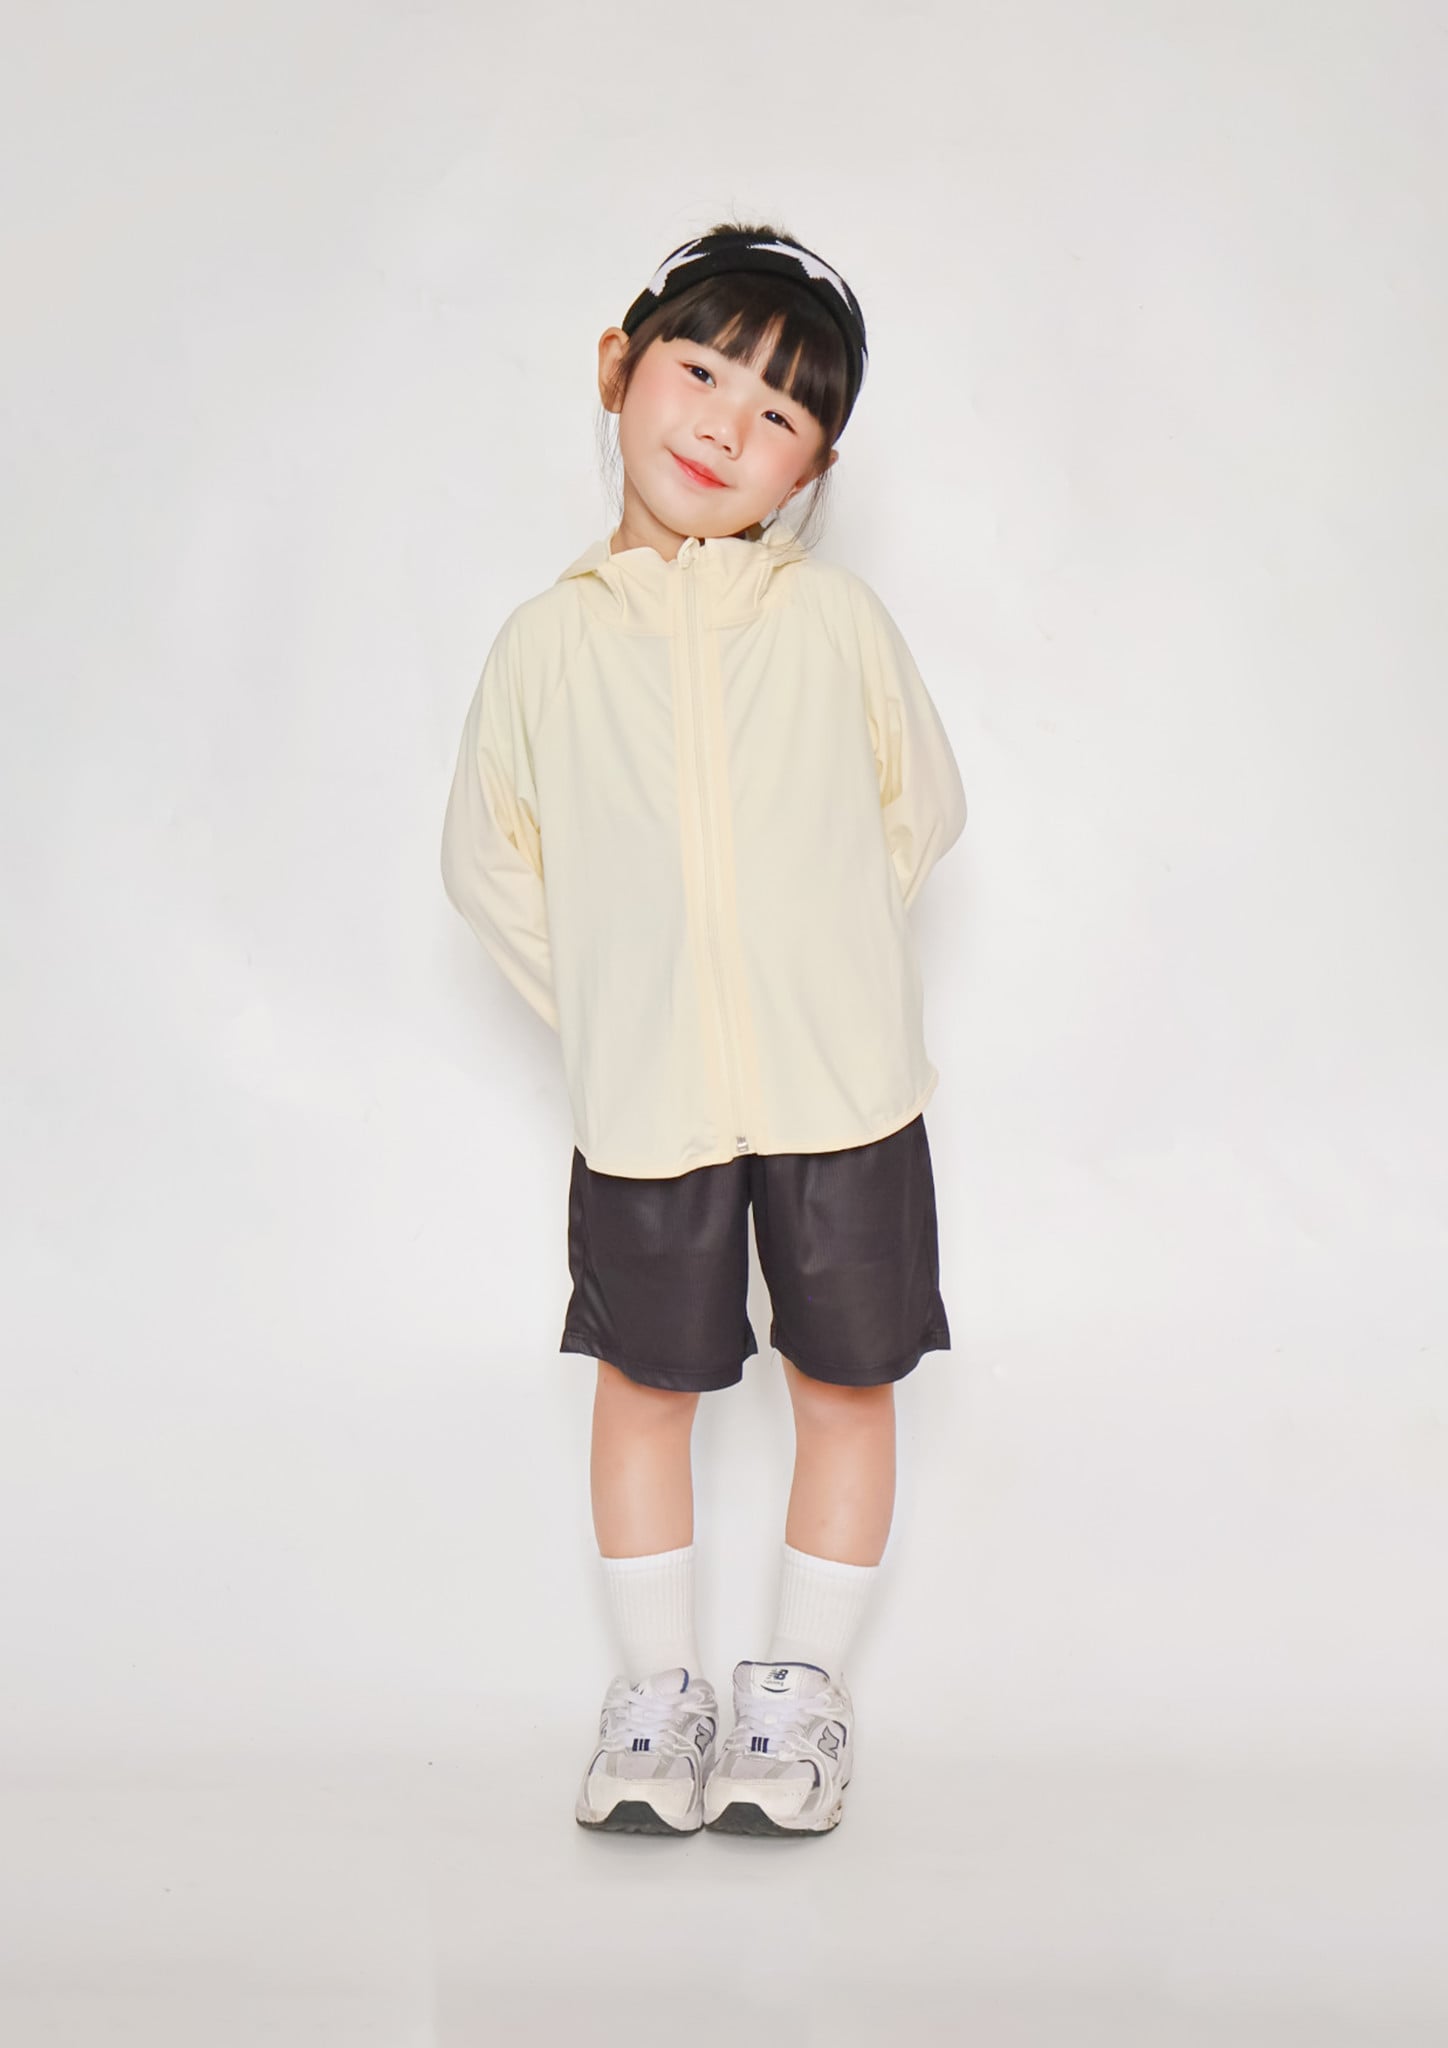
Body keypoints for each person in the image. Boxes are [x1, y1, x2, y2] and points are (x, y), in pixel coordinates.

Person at [440, 222, 967, 1837]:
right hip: (648, 1099)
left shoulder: (834, 624)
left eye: (781, 412)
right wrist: (627, 999)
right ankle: (657, 1698)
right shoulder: (544, 645)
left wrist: (820, 967)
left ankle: (798, 1698)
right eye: (701, 371)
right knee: (644, 1382)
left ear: (815, 469)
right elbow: (490, 866)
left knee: (847, 1378)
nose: (729, 425)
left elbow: (918, 809)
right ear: (620, 369)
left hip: (843, 1090)